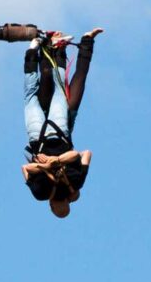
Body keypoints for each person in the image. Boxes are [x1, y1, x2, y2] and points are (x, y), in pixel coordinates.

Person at [21, 27, 101, 217]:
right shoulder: (74, 183)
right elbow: (81, 154)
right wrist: (55, 161)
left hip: (44, 134)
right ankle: (65, 45)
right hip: (61, 128)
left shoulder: (43, 192)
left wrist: (47, 165)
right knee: (61, 84)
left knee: (44, 83)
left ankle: (46, 46)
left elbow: (26, 169)